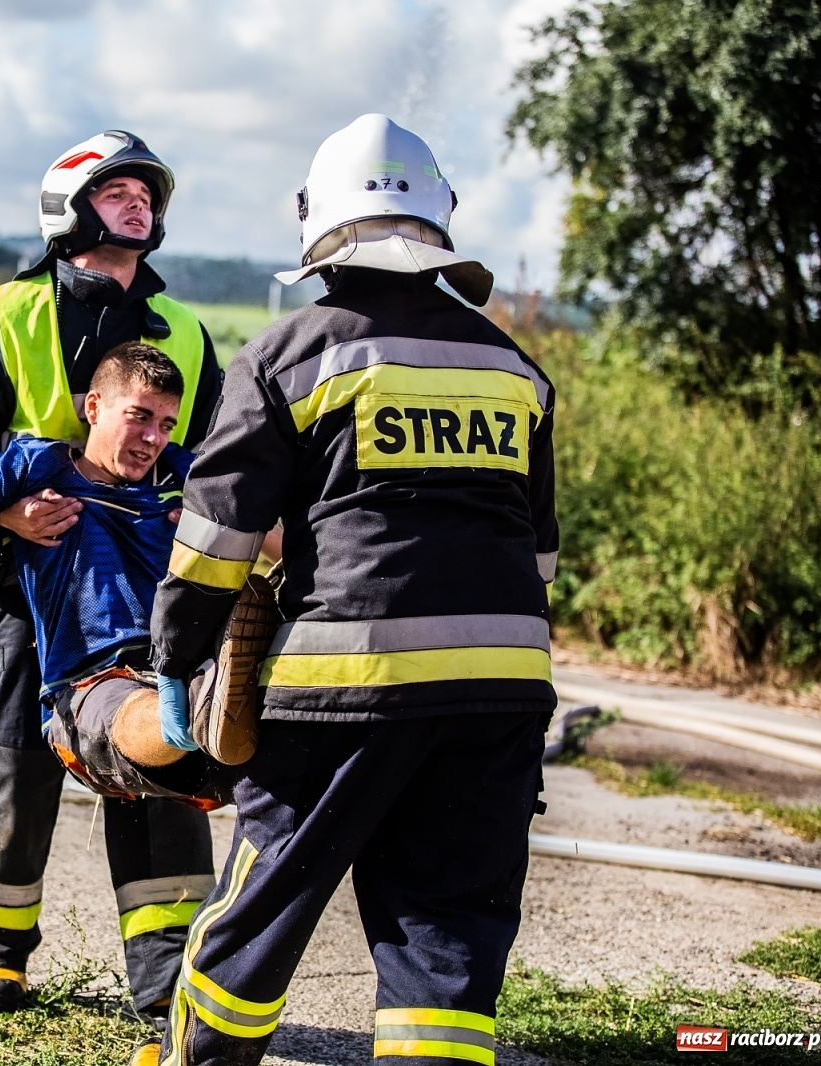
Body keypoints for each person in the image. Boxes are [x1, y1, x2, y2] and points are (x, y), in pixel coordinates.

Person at [149, 114, 560, 1066]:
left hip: (344, 687)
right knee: (447, 929)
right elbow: (536, 560)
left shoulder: (291, 355)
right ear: (439, 226)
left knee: (265, 902)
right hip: (499, 693)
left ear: (320, 233)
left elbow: (216, 541)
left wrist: (176, 657)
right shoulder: (514, 369)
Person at [0, 131, 226, 1027]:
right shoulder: (7, 314)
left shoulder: (186, 335)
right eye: (119, 190)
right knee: (14, 767)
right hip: (30, 587)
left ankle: (166, 979)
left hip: (150, 595)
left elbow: (209, 456)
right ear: (71, 205)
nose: (139, 204)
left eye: (147, 194)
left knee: (162, 763)